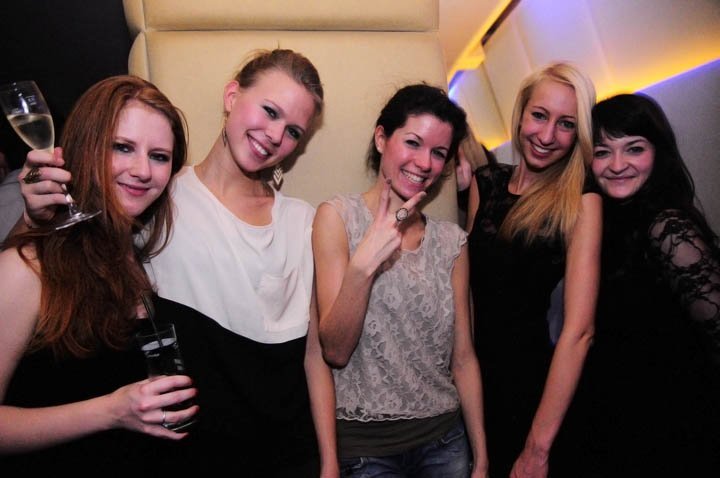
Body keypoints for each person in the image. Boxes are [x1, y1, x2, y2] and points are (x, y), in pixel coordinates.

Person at [21, 48, 337, 476]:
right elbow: (61, 253)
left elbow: (315, 354)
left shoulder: (302, 220)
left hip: (289, 452)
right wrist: (32, 217)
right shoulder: (156, 196)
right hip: (196, 453)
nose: (276, 134)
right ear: (231, 96)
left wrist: (329, 462)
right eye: (269, 110)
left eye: (294, 131)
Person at [0, 76, 198, 473]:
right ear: (86, 147)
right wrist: (111, 411)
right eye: (122, 147)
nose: (143, 170)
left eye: (159, 156)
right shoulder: (26, 268)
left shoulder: (135, 259)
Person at [313, 84, 488, 477]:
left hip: (445, 441)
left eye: (439, 153)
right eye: (413, 142)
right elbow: (334, 351)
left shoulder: (451, 242)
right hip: (367, 451)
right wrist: (362, 268)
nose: (424, 162)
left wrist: (482, 459)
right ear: (381, 138)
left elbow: (463, 358)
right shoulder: (337, 219)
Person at [464, 62, 601, 477]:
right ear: (521, 113)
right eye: (540, 115)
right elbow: (467, 290)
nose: (547, 135)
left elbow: (580, 332)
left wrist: (537, 449)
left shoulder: (581, 201)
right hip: (473, 381)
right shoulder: (486, 183)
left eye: (566, 124)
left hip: (534, 390)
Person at [580, 93, 720, 476]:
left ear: (659, 152)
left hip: (674, 425)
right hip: (625, 419)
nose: (617, 165)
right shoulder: (605, 225)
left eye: (634, 148)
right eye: (603, 152)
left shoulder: (666, 226)